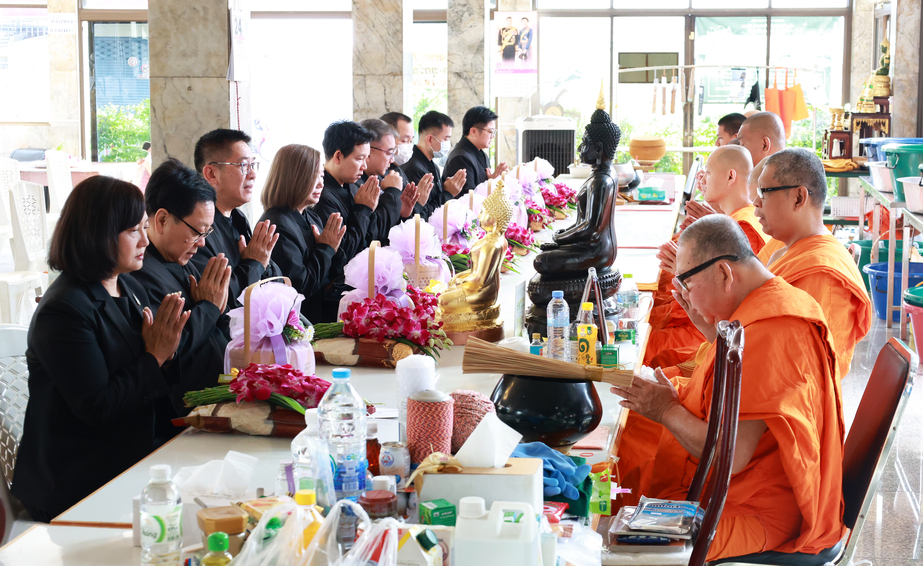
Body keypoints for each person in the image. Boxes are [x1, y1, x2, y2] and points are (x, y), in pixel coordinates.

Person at [612, 215, 846, 560]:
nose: (686, 296)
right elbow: (735, 375)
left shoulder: (774, 330)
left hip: (756, 506)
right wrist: (708, 329)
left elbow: (730, 457)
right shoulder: (767, 301)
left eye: (688, 285)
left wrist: (665, 409)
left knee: (624, 548)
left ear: (724, 273)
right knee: (621, 472)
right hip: (736, 485)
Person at [13, 176, 188, 522]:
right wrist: (157, 356)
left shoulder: (128, 285)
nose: (144, 240)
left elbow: (150, 364)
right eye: (131, 231)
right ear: (99, 234)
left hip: (133, 450)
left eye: (143, 227)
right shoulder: (64, 310)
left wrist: (166, 354)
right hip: (80, 473)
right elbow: (98, 405)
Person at [644, 145, 768, 368]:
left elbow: (729, 295)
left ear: (731, 176)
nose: (702, 180)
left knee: (640, 344)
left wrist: (683, 273)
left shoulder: (744, 226)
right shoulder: (730, 217)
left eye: (708, 173)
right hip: (693, 312)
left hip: (704, 325)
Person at [754, 148, 871, 378]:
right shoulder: (784, 248)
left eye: (764, 192)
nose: (756, 202)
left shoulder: (823, 275)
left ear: (799, 198)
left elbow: (809, 374)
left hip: (785, 406)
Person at [133, 159, 231, 425]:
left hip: (218, 396)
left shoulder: (180, 259)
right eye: (198, 232)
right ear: (162, 219)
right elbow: (171, 349)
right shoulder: (139, 272)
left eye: (207, 232)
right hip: (182, 414)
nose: (202, 244)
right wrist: (209, 309)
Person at [193, 129, 280, 308]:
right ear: (212, 174)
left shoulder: (238, 217)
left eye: (253, 165)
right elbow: (224, 300)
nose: (253, 174)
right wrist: (254, 263)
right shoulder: (199, 229)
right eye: (243, 166)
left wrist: (262, 260)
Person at [259, 144, 346, 323]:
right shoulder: (277, 224)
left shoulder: (309, 216)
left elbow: (336, 269)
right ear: (294, 178)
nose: (321, 184)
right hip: (302, 322)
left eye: (321, 175)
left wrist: (332, 249)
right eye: (314, 177)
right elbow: (300, 288)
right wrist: (326, 249)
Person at [358, 118, 425, 231]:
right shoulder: (355, 183)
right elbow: (372, 234)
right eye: (389, 152)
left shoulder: (380, 176)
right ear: (368, 151)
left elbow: (389, 231)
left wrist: (403, 214)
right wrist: (392, 192)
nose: (392, 159)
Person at [401, 110, 467, 219]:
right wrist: (448, 193)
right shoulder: (413, 168)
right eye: (446, 139)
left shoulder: (432, 165)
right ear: (430, 139)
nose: (448, 144)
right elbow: (421, 214)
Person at [443, 106, 508, 196]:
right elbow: (469, 200)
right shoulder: (461, 158)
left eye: (494, 132)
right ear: (473, 131)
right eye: (490, 132)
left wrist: (492, 182)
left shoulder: (481, 153)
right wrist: (492, 184)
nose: (493, 136)